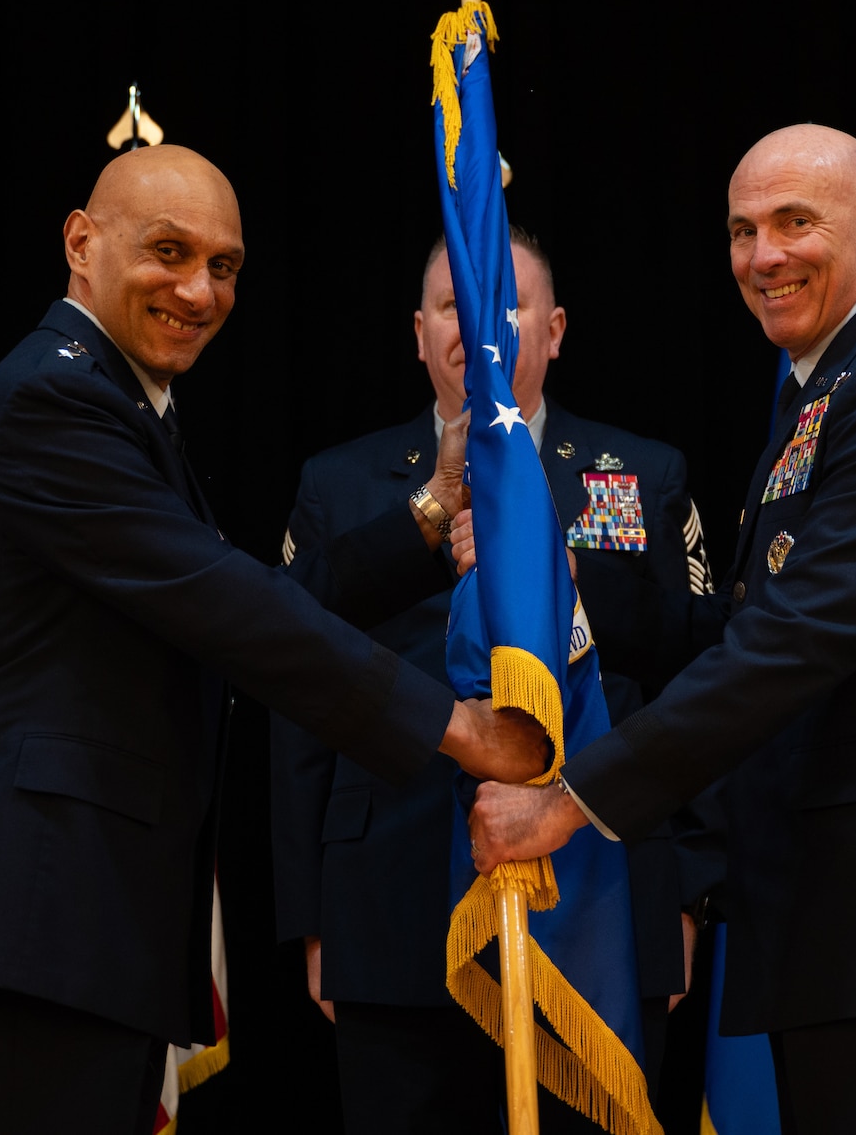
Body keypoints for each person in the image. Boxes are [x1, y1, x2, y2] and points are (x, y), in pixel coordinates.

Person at [0, 145, 546, 1135]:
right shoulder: (49, 404)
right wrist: (462, 731)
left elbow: (237, 601)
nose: (198, 289)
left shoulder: (122, 403)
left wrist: (430, 511)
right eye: (169, 252)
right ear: (80, 244)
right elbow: (234, 609)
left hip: (78, 926)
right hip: (30, 920)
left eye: (223, 266)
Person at [464, 126, 856, 1134]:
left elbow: (794, 640)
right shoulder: (820, 396)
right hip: (837, 923)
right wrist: (565, 586)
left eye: (796, 222)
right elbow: (746, 624)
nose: (762, 256)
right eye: (742, 230)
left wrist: (568, 802)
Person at [270, 227, 717, 1134]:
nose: (483, 325)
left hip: (603, 902)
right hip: (390, 906)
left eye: (509, 304)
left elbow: (703, 674)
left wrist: (692, 891)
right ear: (419, 330)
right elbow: (296, 700)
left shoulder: (640, 472)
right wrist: (312, 917)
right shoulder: (340, 483)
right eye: (455, 305)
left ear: (555, 330)